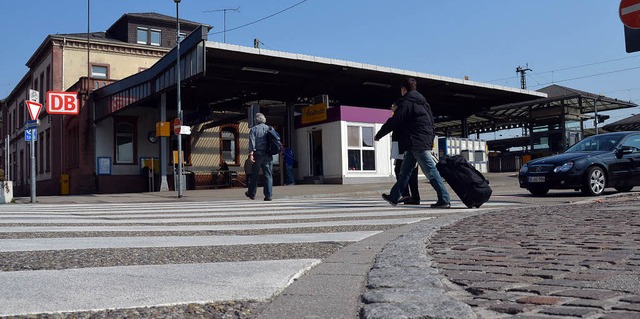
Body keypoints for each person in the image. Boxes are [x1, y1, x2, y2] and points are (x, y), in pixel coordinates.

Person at [374, 77, 450, 208]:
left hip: (417, 141)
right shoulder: (423, 103)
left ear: (403, 89)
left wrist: (379, 134)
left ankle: (444, 199)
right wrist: (430, 141)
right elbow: (432, 123)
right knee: (405, 171)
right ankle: (394, 196)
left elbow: (395, 120)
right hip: (418, 140)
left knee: (430, 170)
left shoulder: (406, 102)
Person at [382, 104, 420, 205]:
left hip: (404, 147)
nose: (391, 107)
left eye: (393, 106)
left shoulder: (400, 115)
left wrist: (379, 135)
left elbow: (391, 125)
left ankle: (407, 195)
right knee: (411, 172)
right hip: (409, 146)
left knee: (401, 170)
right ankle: (414, 197)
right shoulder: (410, 115)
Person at [246, 113, 274, 201]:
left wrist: (251, 155)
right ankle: (268, 195)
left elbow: (252, 143)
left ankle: (252, 193)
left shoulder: (253, 129)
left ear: (256, 120)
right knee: (268, 175)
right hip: (268, 154)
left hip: (257, 154)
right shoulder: (269, 128)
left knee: (254, 174)